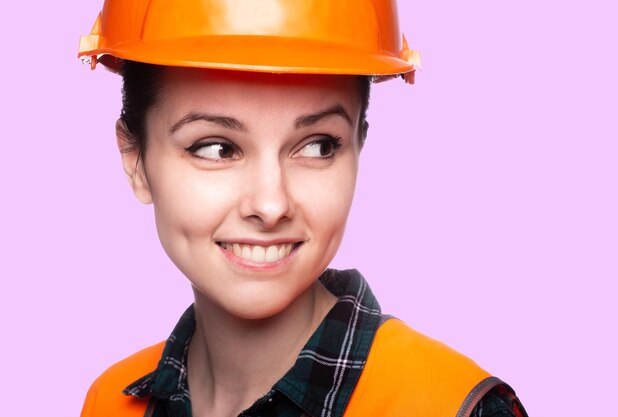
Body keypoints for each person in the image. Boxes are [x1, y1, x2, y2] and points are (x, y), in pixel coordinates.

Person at [78, 1, 528, 416]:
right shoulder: (109, 401)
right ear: (135, 161)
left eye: (318, 146)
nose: (271, 205)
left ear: (358, 148)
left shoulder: (451, 407)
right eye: (216, 148)